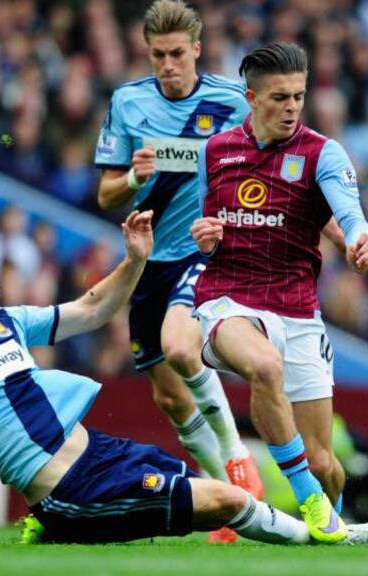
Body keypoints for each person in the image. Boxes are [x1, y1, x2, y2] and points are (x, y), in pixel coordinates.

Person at [0, 210, 368, 546]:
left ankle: (52, 531)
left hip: (100, 453)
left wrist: (133, 260)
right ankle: (333, 540)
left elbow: (91, 308)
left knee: (208, 488)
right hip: (73, 489)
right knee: (227, 501)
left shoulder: (6, 322)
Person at [190, 42, 368, 543]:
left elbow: (350, 213)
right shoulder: (217, 151)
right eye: (279, 97)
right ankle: (311, 501)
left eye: (298, 95)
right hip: (227, 299)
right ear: (251, 98)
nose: (292, 107)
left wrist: (361, 240)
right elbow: (204, 220)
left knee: (327, 464)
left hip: (296, 310)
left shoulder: (322, 152)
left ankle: (326, 520)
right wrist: (204, 234)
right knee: (264, 367)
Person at [94, 0, 261, 541]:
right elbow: (105, 193)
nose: (167, 64)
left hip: (202, 250)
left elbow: (264, 164)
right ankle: (226, 502)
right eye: (157, 55)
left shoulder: (232, 101)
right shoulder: (128, 102)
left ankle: (238, 460)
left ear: (196, 48)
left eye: (176, 54)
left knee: (184, 347)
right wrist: (132, 180)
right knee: (169, 396)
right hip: (148, 260)